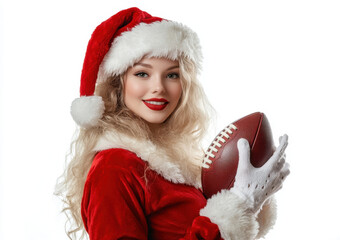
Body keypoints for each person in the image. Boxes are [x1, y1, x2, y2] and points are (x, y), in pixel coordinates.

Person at [56, 7, 290, 240]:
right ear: (119, 85)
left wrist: (253, 202)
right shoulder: (114, 167)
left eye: (172, 75)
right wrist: (240, 202)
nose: (158, 87)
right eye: (142, 74)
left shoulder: (177, 165)